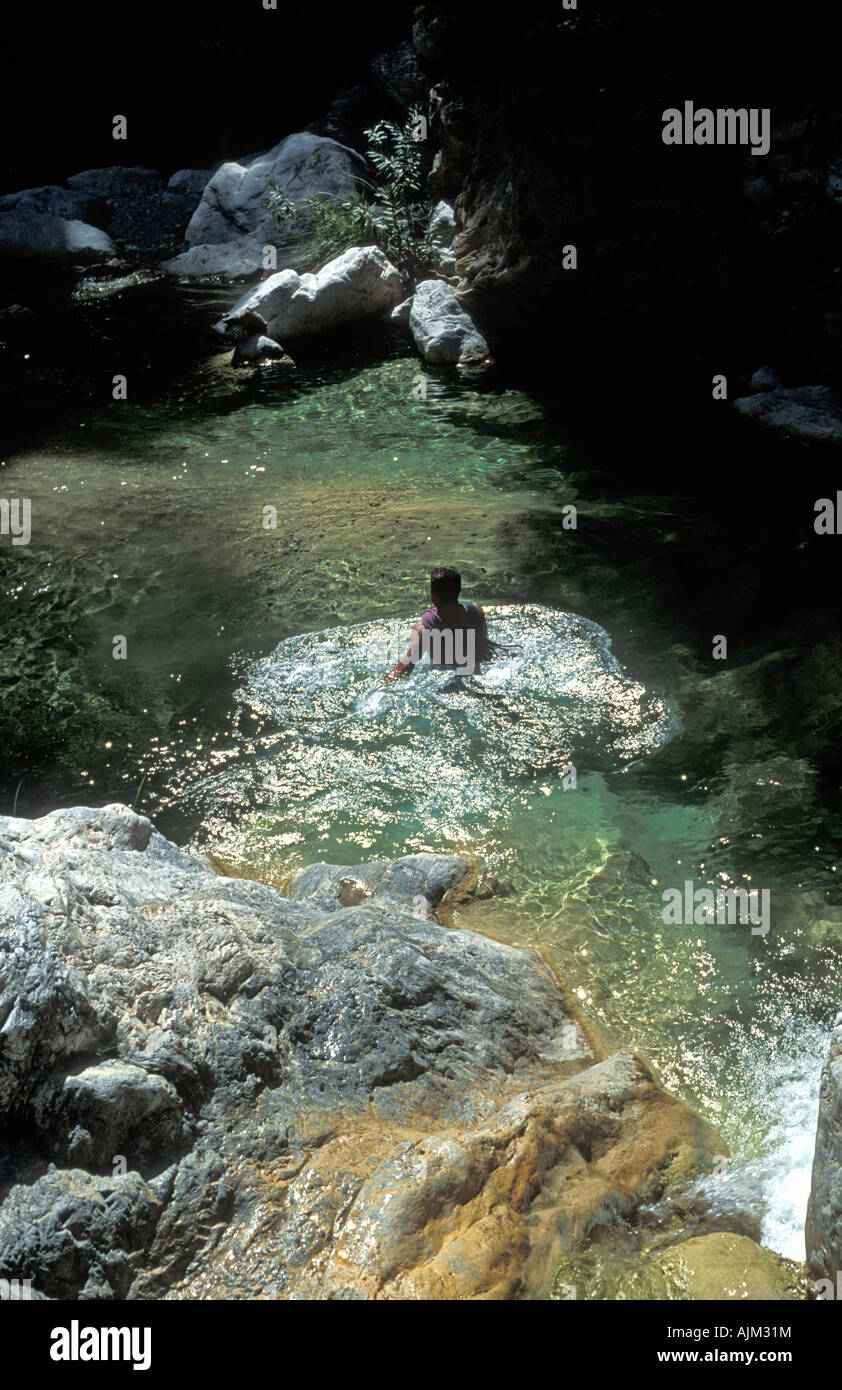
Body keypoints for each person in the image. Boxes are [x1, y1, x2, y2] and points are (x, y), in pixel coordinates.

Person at [385, 566, 496, 683]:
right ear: (459, 590)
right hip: (485, 671)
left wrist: (385, 683)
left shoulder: (423, 628)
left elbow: (405, 668)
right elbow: (484, 648)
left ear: (434, 595)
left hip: (447, 679)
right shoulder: (476, 611)